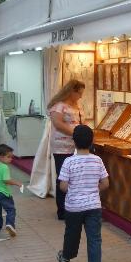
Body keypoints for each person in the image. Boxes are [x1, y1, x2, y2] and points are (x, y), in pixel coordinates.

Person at [56, 125, 109, 262]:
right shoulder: (97, 160)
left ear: (74, 141)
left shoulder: (69, 161)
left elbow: (63, 186)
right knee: (95, 240)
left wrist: (75, 191)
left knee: (72, 234)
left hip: (74, 207)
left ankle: (66, 257)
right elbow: (105, 183)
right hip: (94, 206)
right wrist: (93, 192)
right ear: (91, 140)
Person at [48, 79, 85, 220]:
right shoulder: (59, 106)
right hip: (62, 147)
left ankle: (73, 206)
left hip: (76, 146)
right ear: (71, 92)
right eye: (79, 93)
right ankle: (62, 210)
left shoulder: (78, 106)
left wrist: (84, 134)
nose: (81, 96)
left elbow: (81, 123)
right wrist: (76, 134)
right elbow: (58, 124)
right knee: (63, 177)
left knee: (74, 178)